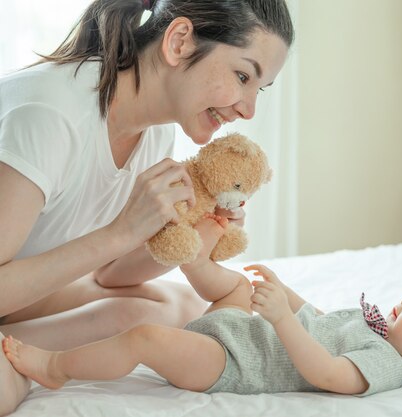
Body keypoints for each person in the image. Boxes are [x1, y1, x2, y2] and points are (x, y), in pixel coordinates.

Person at [0, 0, 294, 414]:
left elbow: (112, 275)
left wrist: (196, 235)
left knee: (188, 310)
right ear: (178, 42)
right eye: (242, 76)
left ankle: (25, 353)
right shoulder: (50, 116)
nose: (248, 109)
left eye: (257, 90)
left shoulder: (153, 133)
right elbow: (106, 249)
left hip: (20, 294)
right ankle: (19, 362)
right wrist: (120, 232)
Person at [2, 214, 402, 397]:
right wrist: (284, 292)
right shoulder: (377, 331)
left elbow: (328, 373)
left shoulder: (391, 367)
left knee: (146, 340)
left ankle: (54, 367)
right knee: (235, 287)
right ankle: (197, 262)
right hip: (239, 335)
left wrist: (281, 318)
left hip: (234, 365)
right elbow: (318, 319)